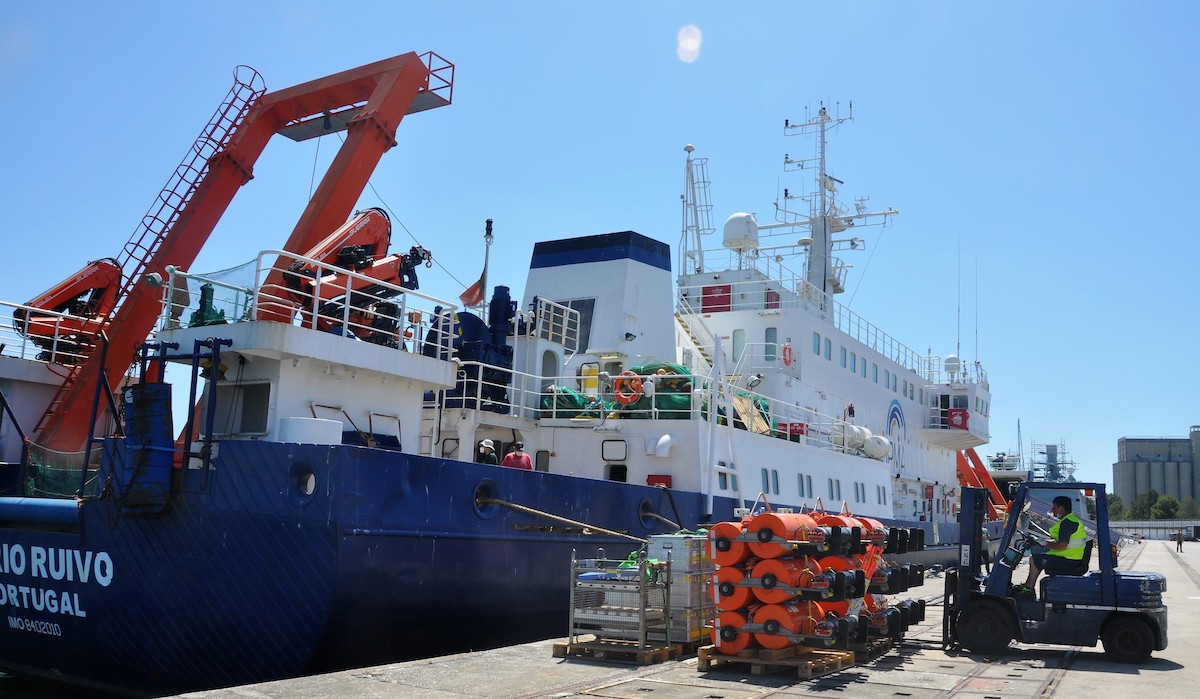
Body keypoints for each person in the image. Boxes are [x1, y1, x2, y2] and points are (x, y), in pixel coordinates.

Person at [1015, 496, 1086, 596]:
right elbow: (1061, 541)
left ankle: (1029, 588)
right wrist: (1043, 541)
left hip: (1068, 560)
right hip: (1070, 558)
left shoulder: (1067, 523)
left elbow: (1062, 545)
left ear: (1061, 508)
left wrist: (1045, 544)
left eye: (1054, 507)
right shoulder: (1070, 520)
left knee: (1035, 560)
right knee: (1037, 557)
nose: (1052, 509)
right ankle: (1028, 586)